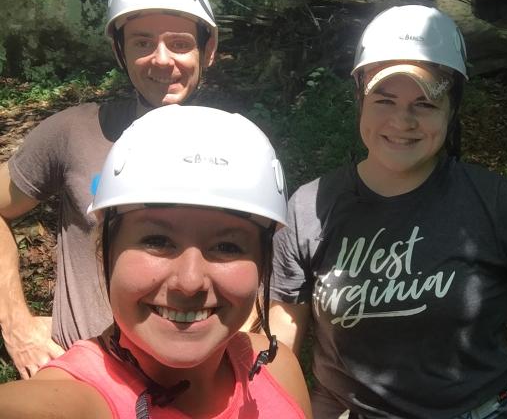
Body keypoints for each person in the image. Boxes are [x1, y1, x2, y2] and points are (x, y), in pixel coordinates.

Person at [268, 5, 507, 419]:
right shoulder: (308, 208)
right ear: (360, 99)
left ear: (453, 109)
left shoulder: (498, 205)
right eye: (384, 99)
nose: (401, 120)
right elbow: (277, 344)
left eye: (425, 104)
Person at [0, 104, 312, 419]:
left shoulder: (277, 367)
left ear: (264, 264)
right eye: (157, 241)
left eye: (227, 246)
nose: (190, 282)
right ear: (105, 254)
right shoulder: (74, 400)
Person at [0, 0, 218, 379]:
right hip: (83, 380)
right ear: (120, 51)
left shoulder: (233, 148)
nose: (161, 59)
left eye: (179, 43)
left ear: (207, 50)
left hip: (194, 385)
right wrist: (17, 324)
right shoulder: (76, 132)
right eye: (142, 42)